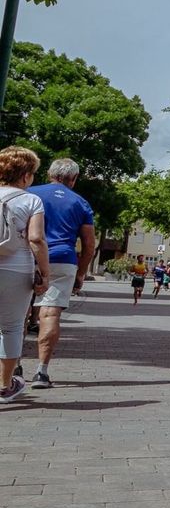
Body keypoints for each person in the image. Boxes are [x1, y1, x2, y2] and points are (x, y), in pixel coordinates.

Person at [28, 158, 95, 390]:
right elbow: (89, 245)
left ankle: (13, 367)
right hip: (62, 260)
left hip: (28, 258)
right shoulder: (81, 203)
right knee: (50, 314)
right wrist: (81, 273)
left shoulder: (29, 193)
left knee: (16, 316)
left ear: (49, 174)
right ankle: (41, 372)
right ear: (74, 180)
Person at [0, 147, 51, 403]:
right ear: (26, 175)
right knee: (10, 328)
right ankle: (5, 386)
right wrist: (45, 272)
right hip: (15, 270)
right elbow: (36, 238)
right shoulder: (31, 200)